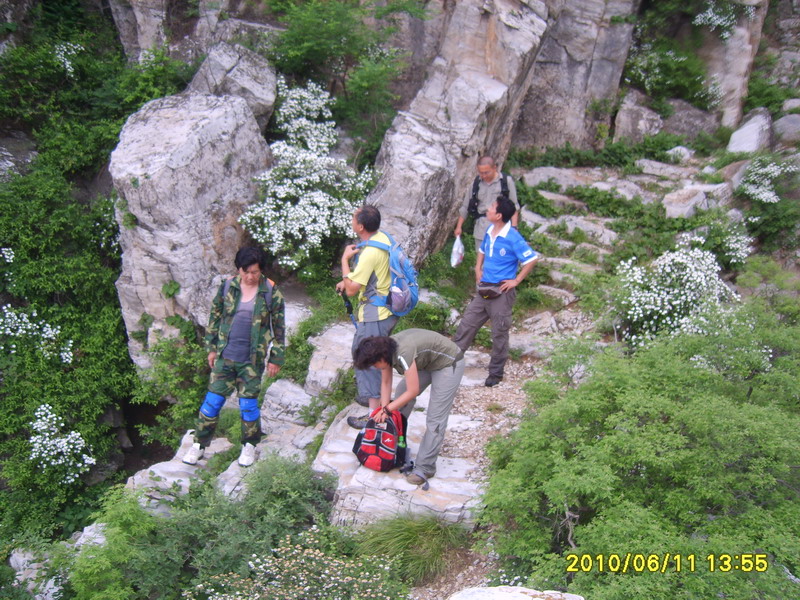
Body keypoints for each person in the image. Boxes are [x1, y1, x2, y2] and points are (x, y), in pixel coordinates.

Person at [182, 246, 285, 467]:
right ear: (239, 269)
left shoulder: (270, 292)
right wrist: (211, 348)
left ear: (261, 271)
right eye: (245, 271)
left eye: (254, 272)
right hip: (225, 358)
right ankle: (199, 445)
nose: (249, 276)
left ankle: (249, 446)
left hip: (252, 362)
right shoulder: (227, 287)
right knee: (212, 403)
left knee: (248, 406)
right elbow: (215, 317)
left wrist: (276, 358)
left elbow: (279, 329)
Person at [353, 329, 465, 487]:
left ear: (380, 357)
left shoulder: (401, 353)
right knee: (398, 401)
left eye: (374, 364)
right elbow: (385, 383)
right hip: (425, 362)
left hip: (449, 363)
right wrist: (384, 410)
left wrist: (387, 410)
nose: (375, 367)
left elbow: (412, 391)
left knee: (435, 418)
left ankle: (425, 468)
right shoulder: (384, 349)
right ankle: (395, 448)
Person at [453, 196, 539, 387]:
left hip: (501, 293)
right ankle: (448, 363)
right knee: (466, 325)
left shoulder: (513, 237)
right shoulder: (490, 229)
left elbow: (531, 259)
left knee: (499, 334)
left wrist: (516, 280)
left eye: (492, 207)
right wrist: (478, 267)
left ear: (499, 215)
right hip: (483, 290)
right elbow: (483, 249)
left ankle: (495, 374)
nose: (489, 208)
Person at [335, 205, 400, 430]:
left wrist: (345, 261)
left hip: (375, 315)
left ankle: (375, 416)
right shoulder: (383, 238)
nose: (352, 219)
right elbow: (373, 276)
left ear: (360, 226)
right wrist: (348, 280)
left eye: (354, 217)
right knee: (364, 355)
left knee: (370, 363)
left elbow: (352, 290)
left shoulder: (369, 253)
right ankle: (376, 405)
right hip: (386, 309)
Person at [454, 156, 520, 253]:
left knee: (499, 257)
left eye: (486, 172)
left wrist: (514, 227)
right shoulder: (476, 184)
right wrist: (459, 226)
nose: (483, 176)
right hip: (481, 228)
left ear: (494, 168)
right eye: (481, 173)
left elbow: (514, 206)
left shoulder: (506, 182)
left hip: (501, 227)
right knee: (482, 257)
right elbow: (465, 207)